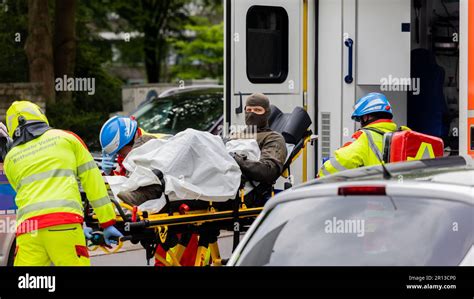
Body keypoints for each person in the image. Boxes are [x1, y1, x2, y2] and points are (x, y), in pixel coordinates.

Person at [3, 101, 122, 266]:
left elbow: (29, 194)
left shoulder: (10, 158)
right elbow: (93, 181)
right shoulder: (67, 139)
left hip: (28, 231)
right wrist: (107, 222)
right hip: (64, 225)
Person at [318, 92, 407, 177]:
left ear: (366, 117)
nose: (360, 123)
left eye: (361, 119)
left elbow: (336, 165)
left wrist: (322, 172)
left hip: (374, 191)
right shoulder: (403, 136)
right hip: (399, 190)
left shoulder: (365, 137)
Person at [229, 93, 287, 201]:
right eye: (249, 110)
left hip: (242, 190)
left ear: (267, 113)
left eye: (257, 110)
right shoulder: (235, 135)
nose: (251, 114)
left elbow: (268, 171)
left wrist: (236, 159)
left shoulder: (273, 138)